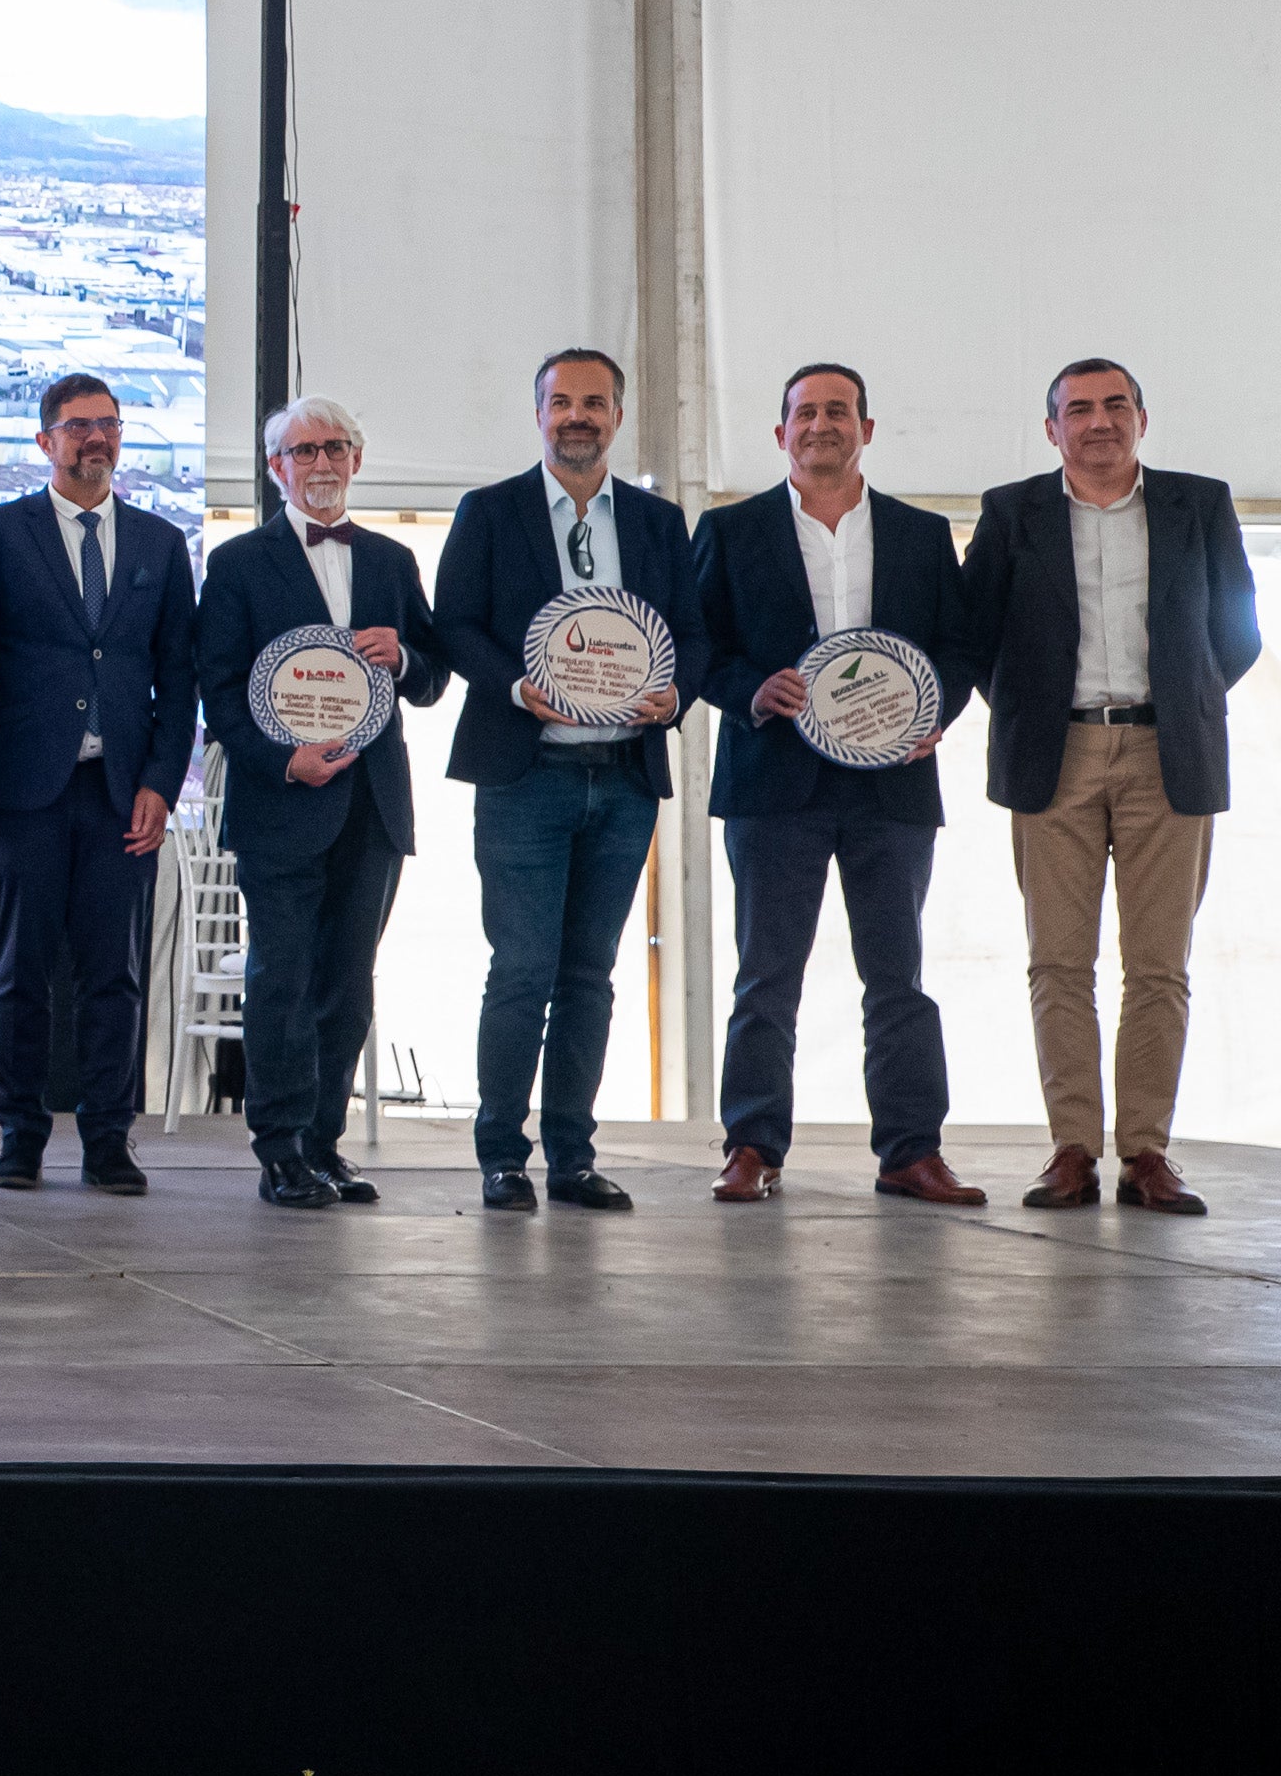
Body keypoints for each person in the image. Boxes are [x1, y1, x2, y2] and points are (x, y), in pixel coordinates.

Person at [963, 358, 1258, 1215]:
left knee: (1160, 966)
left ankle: (1146, 1154)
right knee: (1058, 962)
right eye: (1078, 409)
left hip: (1171, 752)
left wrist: (1184, 701)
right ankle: (1072, 1150)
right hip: (1051, 756)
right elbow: (977, 632)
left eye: (1115, 405)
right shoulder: (1011, 511)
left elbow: (1235, 632)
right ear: (1051, 428)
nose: (1099, 421)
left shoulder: (1198, 504)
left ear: (1142, 417)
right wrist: (1028, 711)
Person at [692, 364, 980, 1205]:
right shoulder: (730, 528)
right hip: (771, 782)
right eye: (805, 412)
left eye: (838, 411)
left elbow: (958, 649)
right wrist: (750, 688)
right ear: (780, 432)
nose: (822, 424)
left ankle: (910, 1151)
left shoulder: (922, 534)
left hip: (892, 787)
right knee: (767, 975)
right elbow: (695, 644)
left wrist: (935, 716)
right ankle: (752, 1145)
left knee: (898, 976)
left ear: (867, 427)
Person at [434, 348, 706, 1213]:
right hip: (525, 774)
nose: (577, 415)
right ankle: (500, 1157)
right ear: (538, 412)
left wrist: (675, 694)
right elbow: (455, 627)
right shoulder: (490, 511)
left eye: (594, 401)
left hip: (623, 777)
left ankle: (573, 1158)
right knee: (521, 969)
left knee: (591, 974)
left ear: (619, 416)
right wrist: (517, 684)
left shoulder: (661, 523)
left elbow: (694, 637)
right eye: (561, 401)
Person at [194, 397, 448, 1208]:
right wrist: (282, 761)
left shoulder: (391, 559)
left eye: (335, 447)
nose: (322, 462)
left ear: (358, 459)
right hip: (282, 803)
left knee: (349, 984)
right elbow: (220, 693)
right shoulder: (236, 565)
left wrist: (403, 654)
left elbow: (436, 676)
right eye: (303, 451)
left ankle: (324, 1143)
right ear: (276, 468)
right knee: (282, 981)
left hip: (372, 806)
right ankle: (278, 1150)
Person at [0, 374, 198, 1193]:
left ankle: (108, 1139)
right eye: (77, 427)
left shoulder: (160, 544)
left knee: (116, 977)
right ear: (45, 441)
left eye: (107, 425)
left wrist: (163, 786)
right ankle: (19, 1137)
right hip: (20, 793)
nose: (94, 439)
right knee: (17, 976)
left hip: (120, 794)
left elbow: (180, 679)